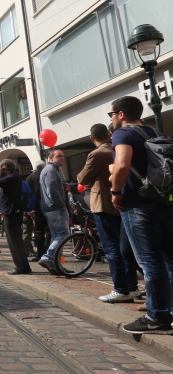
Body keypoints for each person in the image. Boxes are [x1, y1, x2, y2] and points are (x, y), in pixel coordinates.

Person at [110, 96, 173, 334]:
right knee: (169, 260)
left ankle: (157, 317)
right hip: (164, 202)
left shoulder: (123, 134)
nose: (112, 119)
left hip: (138, 205)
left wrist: (116, 191)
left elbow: (122, 165)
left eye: (112, 114)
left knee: (150, 262)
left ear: (121, 114)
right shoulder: (154, 131)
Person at [77, 123, 141, 303]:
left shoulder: (97, 153)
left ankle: (120, 289)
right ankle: (132, 287)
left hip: (104, 204)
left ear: (92, 138)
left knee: (111, 248)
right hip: (122, 202)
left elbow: (82, 178)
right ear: (108, 134)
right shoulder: (117, 149)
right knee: (125, 248)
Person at [0, 159, 32, 275]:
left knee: (14, 240)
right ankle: (23, 266)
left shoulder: (11, 177)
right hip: (13, 211)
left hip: (11, 212)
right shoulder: (13, 177)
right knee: (16, 239)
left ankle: (21, 266)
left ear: (4, 168)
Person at [38, 149, 69, 275]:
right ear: (51, 158)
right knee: (63, 234)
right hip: (55, 208)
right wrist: (61, 204)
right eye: (59, 156)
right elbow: (51, 191)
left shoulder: (49, 170)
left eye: (63, 156)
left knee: (56, 235)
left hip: (50, 207)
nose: (62, 158)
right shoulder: (51, 170)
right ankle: (48, 258)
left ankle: (56, 265)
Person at [26, 162, 50, 262]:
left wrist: (30, 209)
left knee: (39, 231)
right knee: (49, 231)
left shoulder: (30, 178)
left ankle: (40, 254)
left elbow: (27, 194)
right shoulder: (47, 175)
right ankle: (48, 253)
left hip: (36, 207)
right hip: (48, 206)